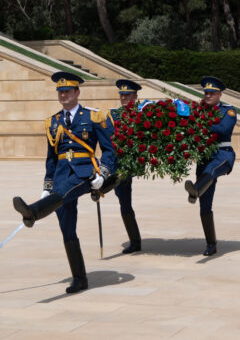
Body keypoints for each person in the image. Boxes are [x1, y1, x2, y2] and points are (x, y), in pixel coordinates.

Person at [13, 72, 115, 293]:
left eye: (67, 91)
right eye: (60, 92)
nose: (63, 95)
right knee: (67, 227)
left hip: (84, 172)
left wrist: (103, 174)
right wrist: (46, 186)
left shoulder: (94, 117)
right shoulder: (52, 122)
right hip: (60, 174)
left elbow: (109, 149)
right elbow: (51, 157)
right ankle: (79, 278)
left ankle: (34, 212)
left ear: (77, 92)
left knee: (67, 192)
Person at [184, 77, 237, 255]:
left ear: (219, 95)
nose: (207, 95)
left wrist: (200, 121)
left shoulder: (228, 111)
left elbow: (223, 130)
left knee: (212, 171)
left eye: (211, 93)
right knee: (205, 206)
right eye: (205, 93)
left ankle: (195, 189)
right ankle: (211, 243)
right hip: (205, 156)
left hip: (223, 154)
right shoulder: (197, 111)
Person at [109, 79, 143, 253]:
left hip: (129, 164)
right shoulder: (113, 115)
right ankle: (135, 241)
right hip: (114, 162)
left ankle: (135, 241)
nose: (124, 98)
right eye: (121, 95)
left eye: (127, 95)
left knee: (124, 198)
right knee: (124, 201)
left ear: (135, 96)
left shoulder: (142, 114)